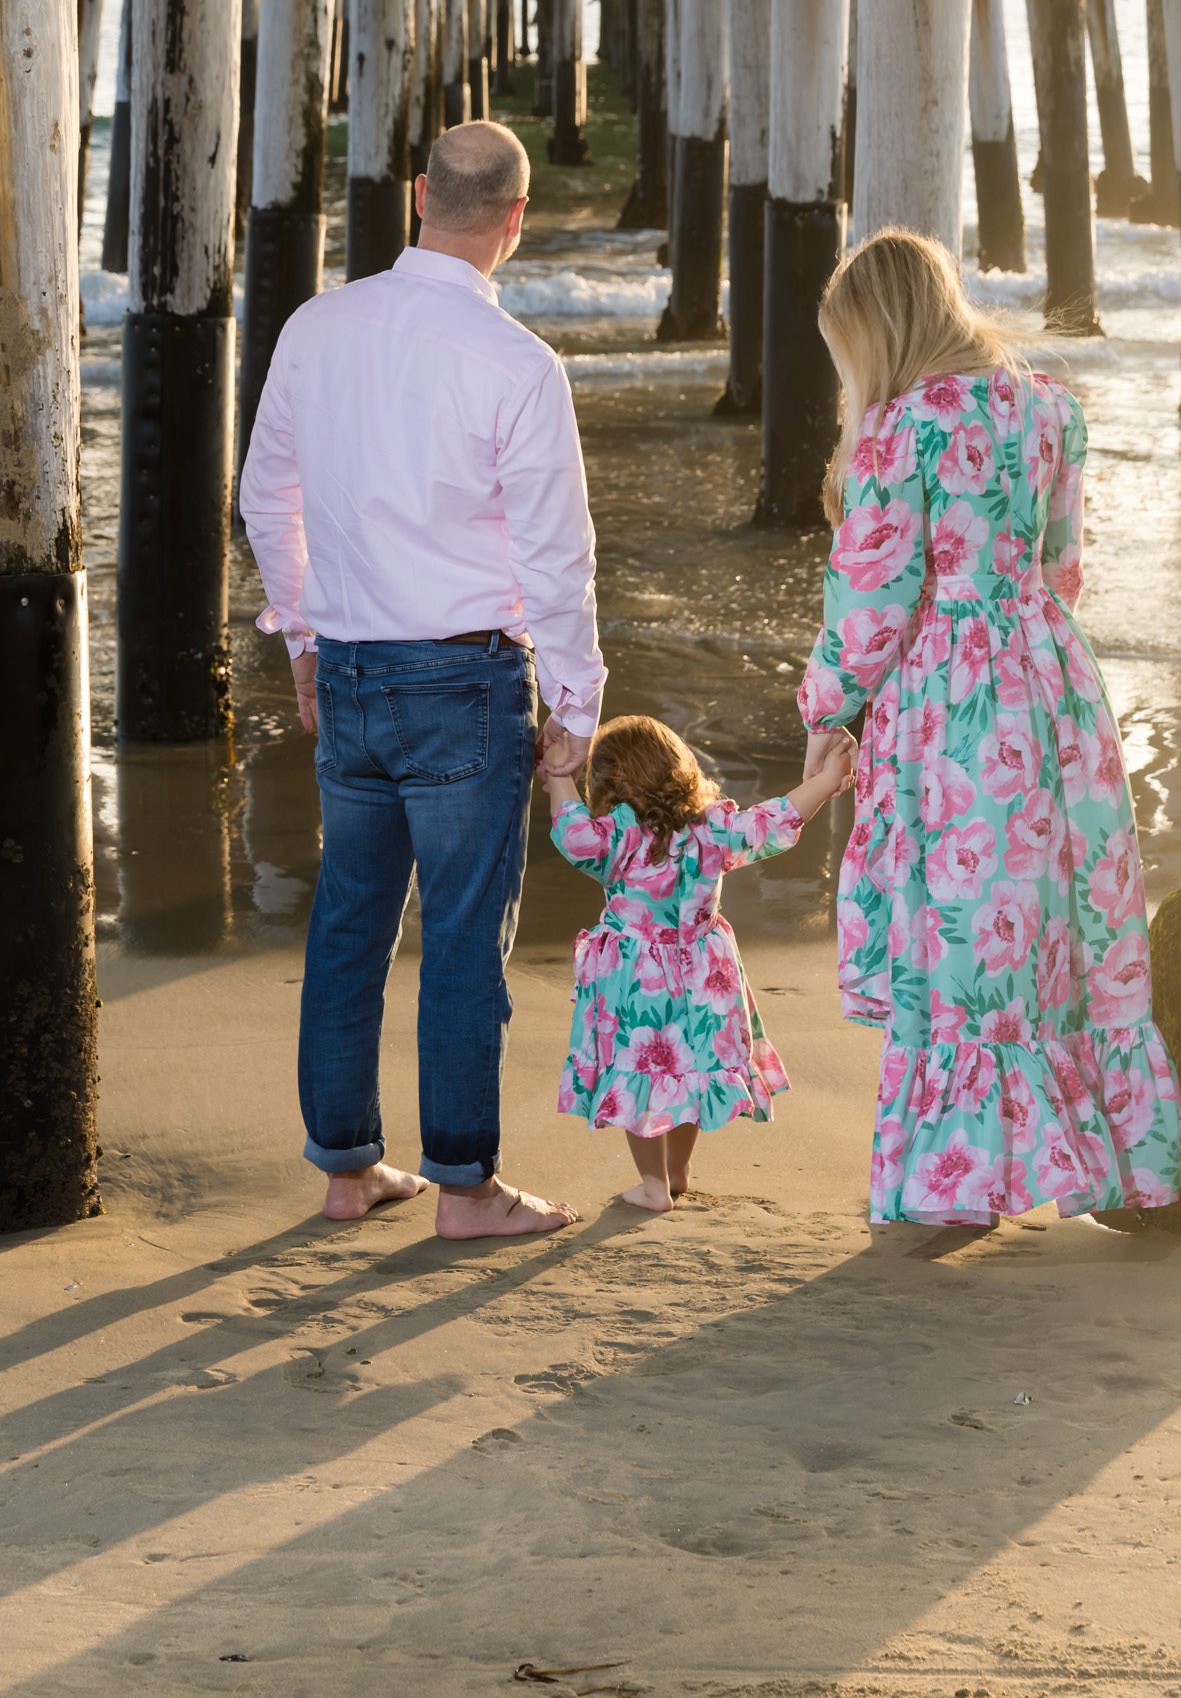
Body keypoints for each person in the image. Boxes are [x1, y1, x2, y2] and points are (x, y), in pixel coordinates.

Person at [240, 121, 604, 1238]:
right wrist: (577, 705)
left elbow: (265, 496)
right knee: (459, 940)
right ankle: (465, 1187)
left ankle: (348, 1172)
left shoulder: (317, 326)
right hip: (463, 680)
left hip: (349, 670)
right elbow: (557, 558)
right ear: (516, 220)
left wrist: (303, 640)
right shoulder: (518, 364)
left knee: (348, 926)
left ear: (416, 195)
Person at [797, 228, 1181, 1229]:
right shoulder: (1052, 406)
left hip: (951, 698)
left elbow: (871, 599)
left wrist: (826, 709)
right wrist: (1023, 638)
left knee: (962, 923)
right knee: (1051, 916)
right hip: (1054, 682)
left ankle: (962, 1179)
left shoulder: (901, 427)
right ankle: (1088, 1157)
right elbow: (1063, 568)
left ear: (877, 331)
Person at [543, 715, 857, 1211]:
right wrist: (826, 779)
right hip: (704, 973)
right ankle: (677, 1171)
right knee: (689, 1069)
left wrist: (559, 775)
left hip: (637, 979)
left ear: (608, 781)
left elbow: (573, 834)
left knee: (639, 1072)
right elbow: (773, 821)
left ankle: (653, 1185)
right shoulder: (711, 826)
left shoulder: (619, 835)